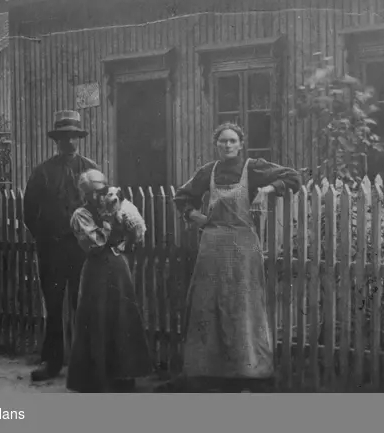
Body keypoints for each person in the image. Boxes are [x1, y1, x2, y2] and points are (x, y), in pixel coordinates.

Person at [172, 122, 302, 392]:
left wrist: (267, 189)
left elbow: (293, 177)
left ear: (241, 144)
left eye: (232, 141)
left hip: (243, 246)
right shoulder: (208, 171)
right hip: (212, 245)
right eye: (223, 141)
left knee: (243, 304)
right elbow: (182, 196)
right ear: (216, 145)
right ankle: (208, 369)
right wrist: (193, 215)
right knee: (209, 304)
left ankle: (248, 369)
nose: (228, 145)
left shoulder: (253, 168)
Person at [22, 110, 100, 383]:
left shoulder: (91, 170)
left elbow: (102, 208)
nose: (69, 142)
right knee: (53, 307)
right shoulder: (43, 172)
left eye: (74, 137)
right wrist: (47, 236)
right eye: (64, 137)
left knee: (84, 304)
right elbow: (29, 213)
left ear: (79, 139)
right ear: (57, 140)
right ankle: (51, 361)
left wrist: (89, 238)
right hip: (52, 250)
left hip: (82, 250)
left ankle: (85, 362)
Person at [66, 170, 154, 393]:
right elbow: (94, 244)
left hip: (118, 266)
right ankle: (95, 378)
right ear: (85, 195)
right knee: (96, 318)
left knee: (122, 316)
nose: (99, 197)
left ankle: (124, 375)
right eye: (93, 193)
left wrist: (128, 232)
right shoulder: (81, 214)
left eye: (102, 191)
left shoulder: (121, 207)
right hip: (96, 270)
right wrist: (107, 221)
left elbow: (135, 235)